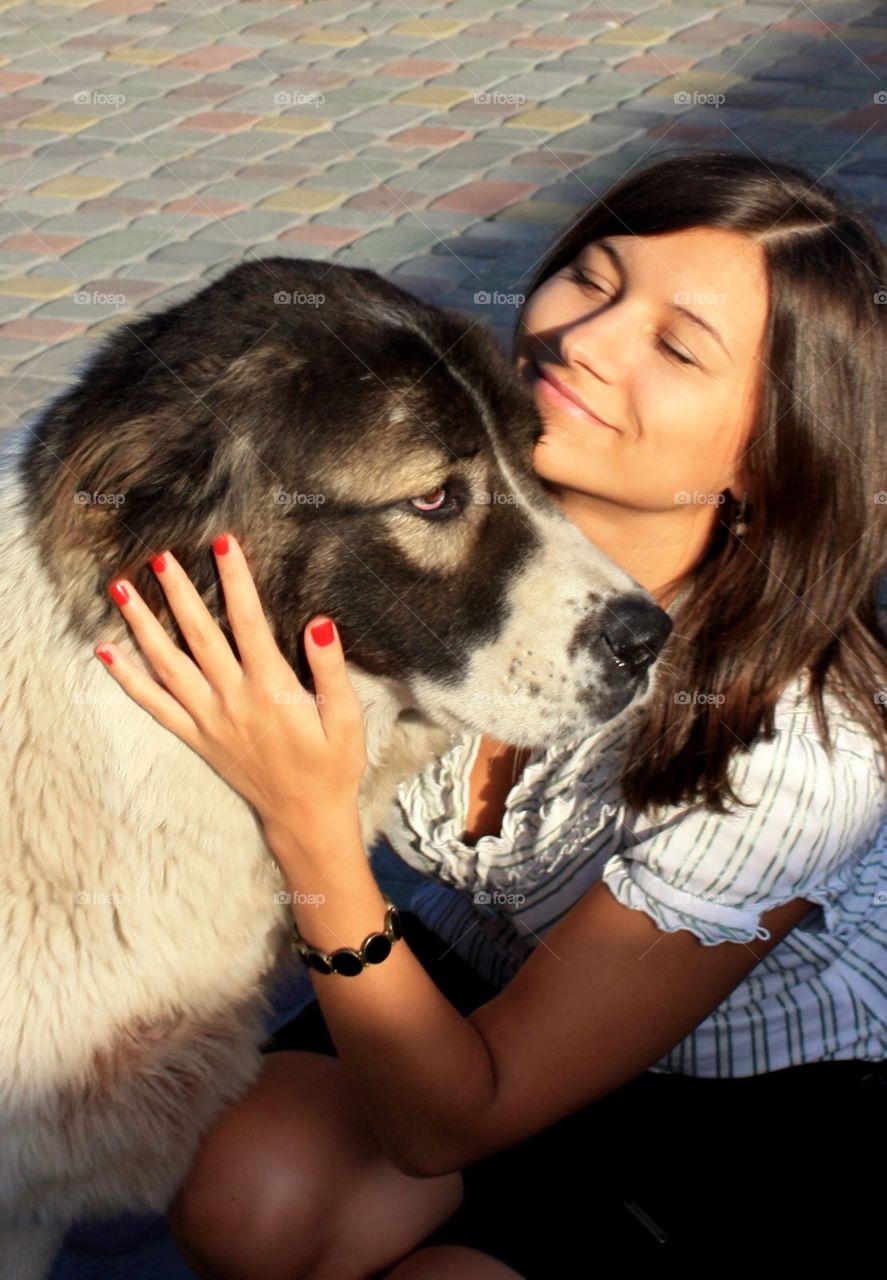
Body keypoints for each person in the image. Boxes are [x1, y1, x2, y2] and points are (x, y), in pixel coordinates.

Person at [95, 148, 886, 1278]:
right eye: (592, 278)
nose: (584, 339)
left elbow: (445, 1123)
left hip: (735, 1112)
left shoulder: (799, 754)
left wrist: (309, 827)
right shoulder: (402, 521)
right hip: (479, 989)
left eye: (673, 345)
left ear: (767, 456)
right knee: (245, 1193)